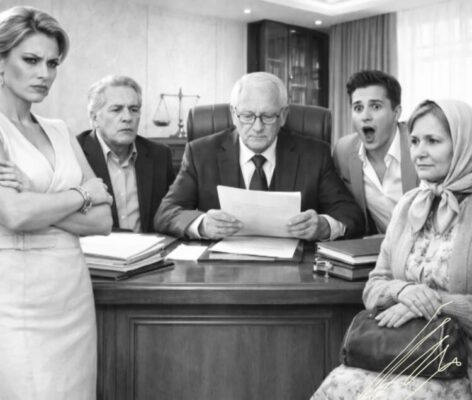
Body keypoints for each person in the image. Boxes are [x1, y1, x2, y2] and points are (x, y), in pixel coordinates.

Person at [312, 99, 472, 399]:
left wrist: (434, 304)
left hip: (456, 361)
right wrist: (402, 291)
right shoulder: (408, 204)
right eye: (415, 141)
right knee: (333, 387)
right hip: (400, 350)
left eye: (433, 141)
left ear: (463, 145)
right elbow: (373, 287)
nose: (419, 152)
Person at [0, 6, 113, 399]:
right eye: (31, 60)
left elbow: (102, 220)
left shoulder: (60, 130)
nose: (44, 74)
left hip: (73, 295)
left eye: (52, 63)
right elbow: (15, 215)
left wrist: (36, 201)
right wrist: (81, 194)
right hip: (18, 300)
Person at [155, 72, 364, 241]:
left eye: (268, 116)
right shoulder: (201, 153)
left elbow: (351, 214)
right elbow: (166, 212)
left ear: (283, 116)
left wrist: (324, 226)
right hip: (220, 268)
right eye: (247, 116)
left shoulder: (314, 155)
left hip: (293, 269)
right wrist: (202, 225)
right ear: (233, 115)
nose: (257, 127)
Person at [77, 75, 174, 233]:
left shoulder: (159, 155)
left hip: (148, 247)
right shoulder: (75, 153)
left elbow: (172, 213)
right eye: (116, 110)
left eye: (134, 110)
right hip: (96, 247)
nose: (128, 118)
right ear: (94, 118)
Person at [333, 70, 418, 235]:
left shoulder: (418, 146)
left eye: (376, 106)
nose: (365, 116)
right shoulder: (343, 151)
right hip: (377, 247)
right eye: (358, 108)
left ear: (396, 113)